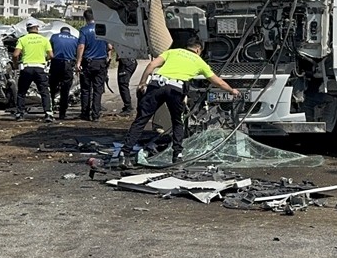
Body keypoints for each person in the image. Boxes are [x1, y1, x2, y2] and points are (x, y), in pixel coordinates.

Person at [118, 35, 239, 166]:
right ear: (198, 49)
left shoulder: (172, 52)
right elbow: (218, 81)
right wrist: (232, 90)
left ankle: (124, 153)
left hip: (157, 84)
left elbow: (152, 65)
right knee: (177, 121)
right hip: (176, 89)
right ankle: (177, 156)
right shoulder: (199, 61)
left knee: (141, 120)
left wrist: (142, 83)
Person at [13, 20, 54, 122]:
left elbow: (15, 54)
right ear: (37, 28)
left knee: (22, 92)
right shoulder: (44, 40)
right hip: (40, 68)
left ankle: (20, 114)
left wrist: (15, 64)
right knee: (44, 92)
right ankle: (48, 113)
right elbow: (51, 55)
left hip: (27, 68)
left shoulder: (23, 39)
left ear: (27, 29)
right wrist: (45, 59)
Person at [75, 9, 109, 121]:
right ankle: (96, 114)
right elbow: (110, 46)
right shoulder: (102, 29)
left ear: (85, 18)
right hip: (101, 62)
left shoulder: (84, 30)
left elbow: (81, 47)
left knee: (86, 89)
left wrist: (78, 62)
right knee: (98, 89)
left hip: (88, 63)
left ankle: (85, 113)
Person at [48, 26, 78, 119]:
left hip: (56, 63)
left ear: (61, 31)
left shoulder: (54, 37)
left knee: (52, 88)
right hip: (68, 65)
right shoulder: (75, 39)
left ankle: (50, 110)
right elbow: (77, 53)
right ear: (69, 32)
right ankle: (62, 113)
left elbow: (50, 50)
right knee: (65, 90)